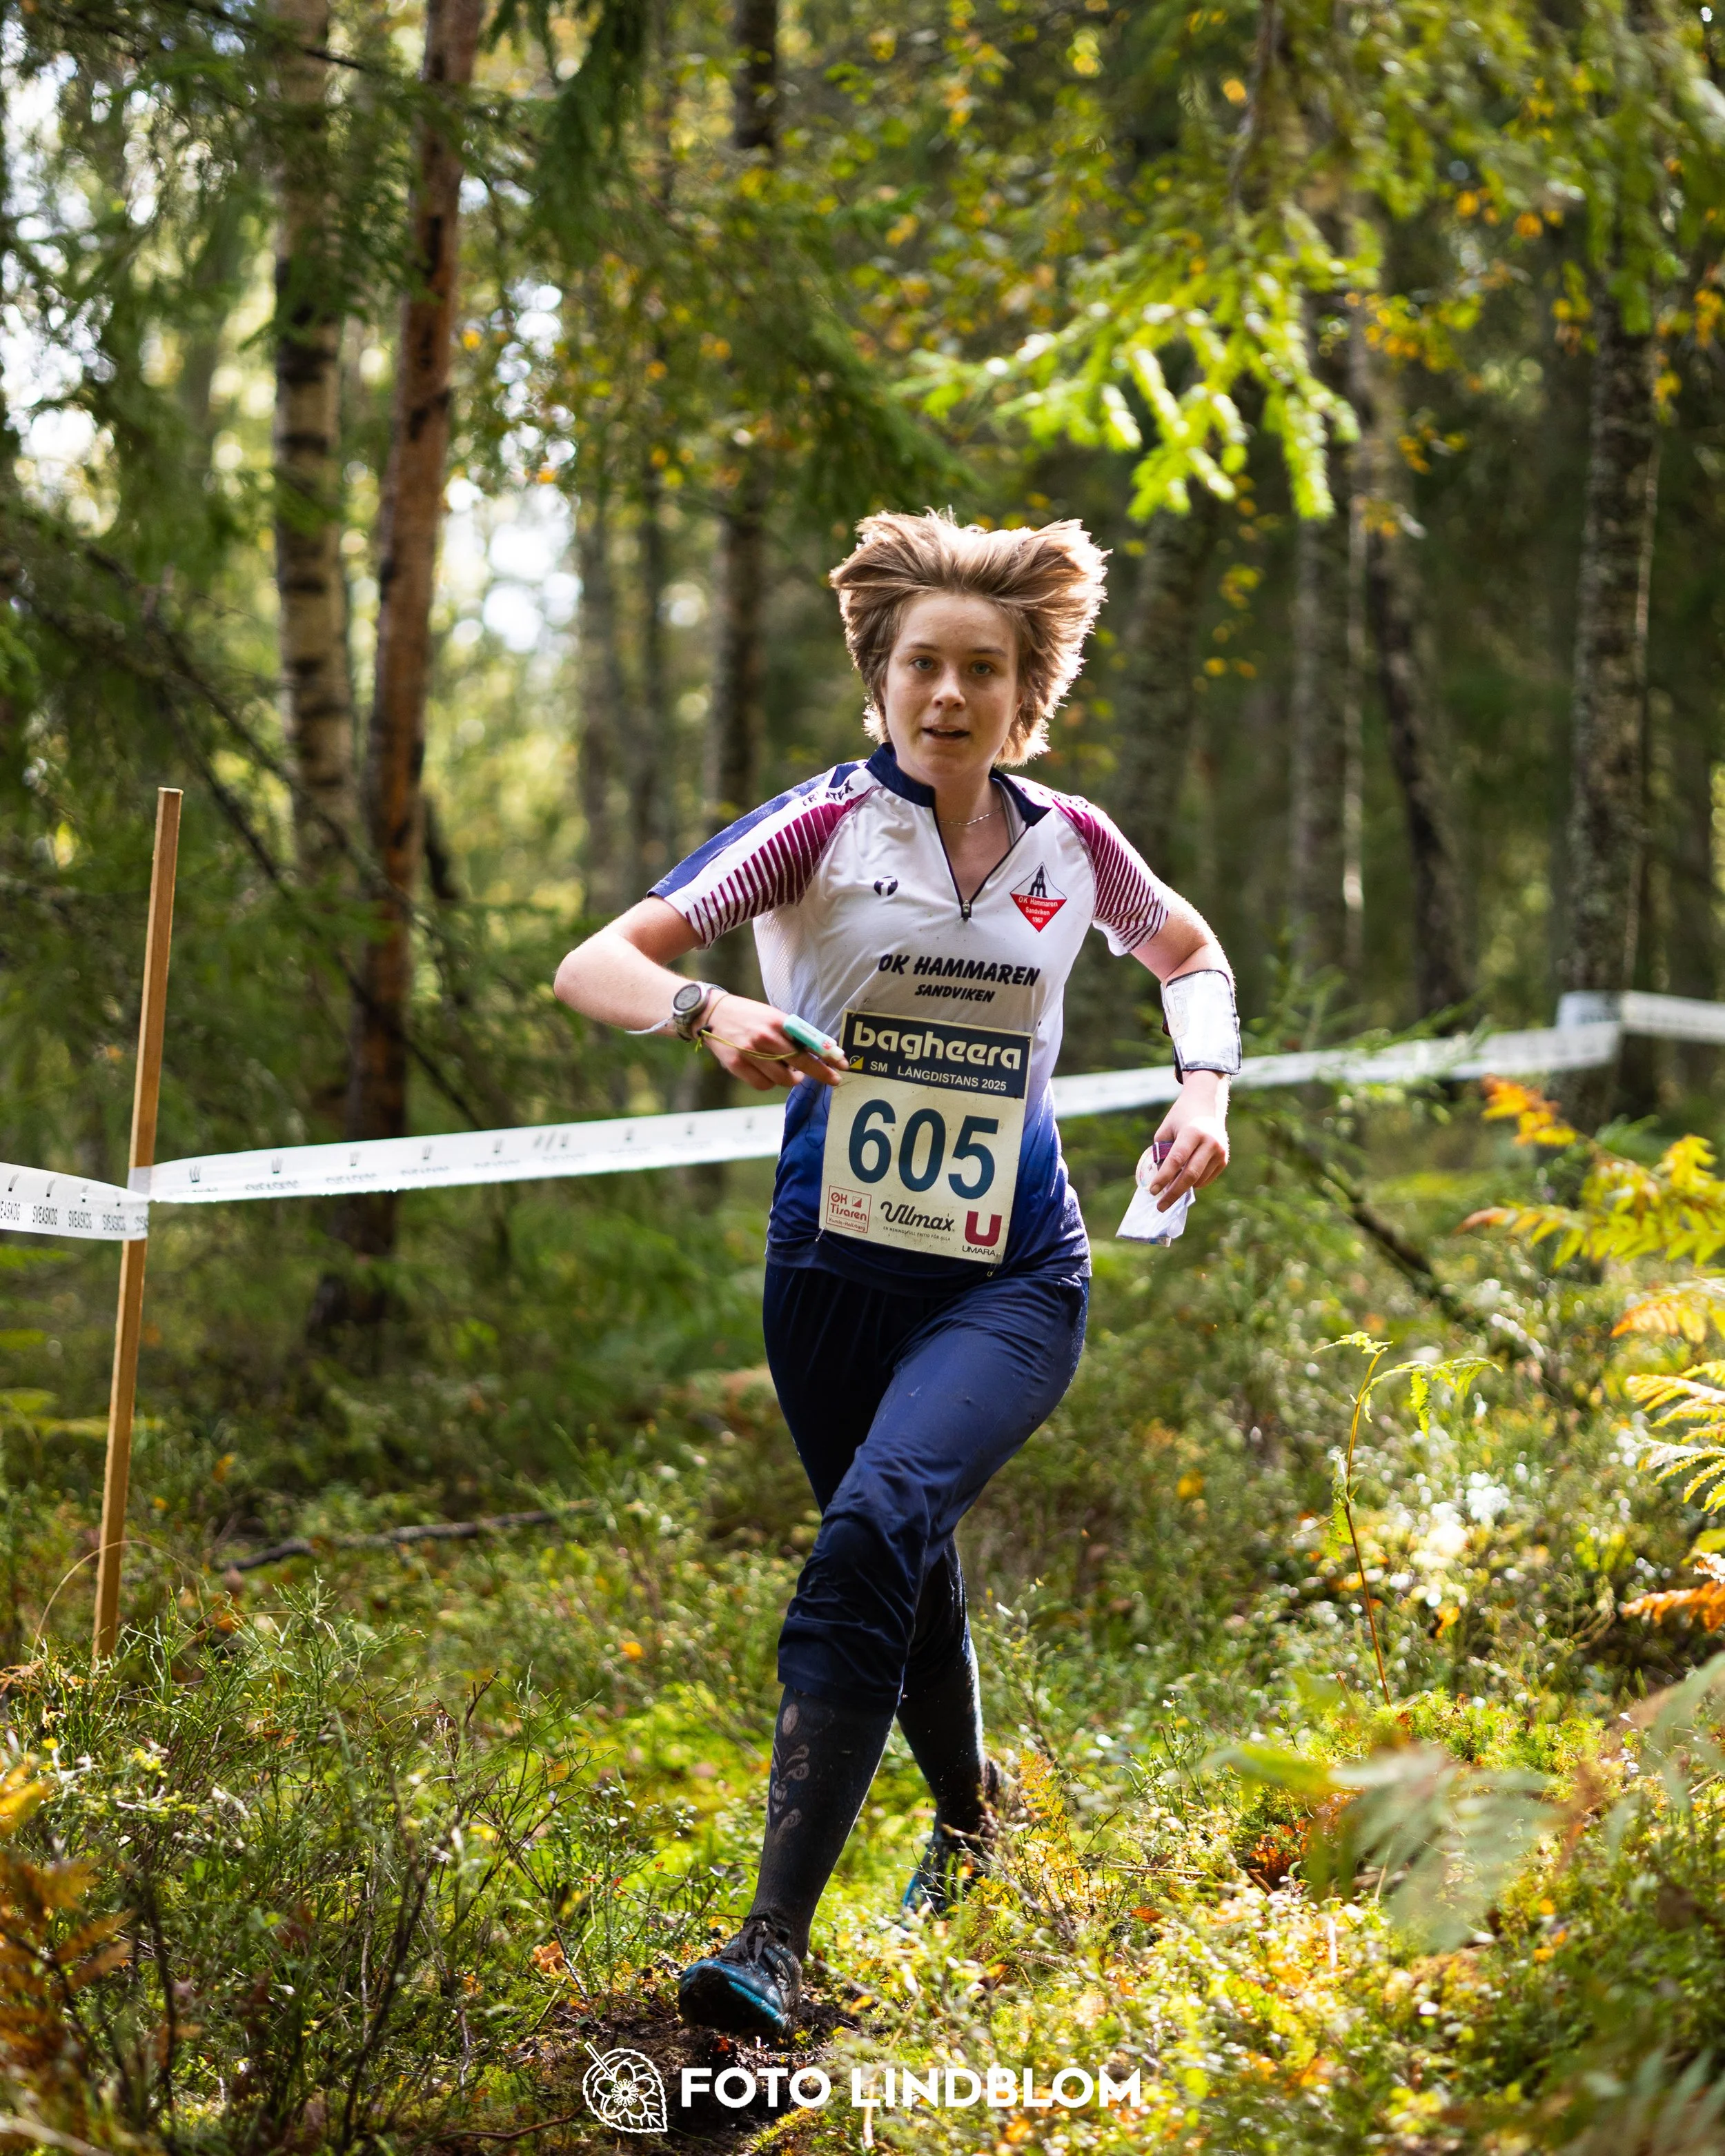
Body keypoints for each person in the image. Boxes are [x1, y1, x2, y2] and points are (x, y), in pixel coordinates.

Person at [553, 510, 1236, 2037]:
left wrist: (1201, 1088)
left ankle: (771, 1944)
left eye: (979, 669)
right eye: (919, 662)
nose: (946, 694)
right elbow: (593, 960)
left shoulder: (1073, 842)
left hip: (1012, 1276)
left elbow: (1189, 954)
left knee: (873, 1519)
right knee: (897, 1548)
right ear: (877, 673)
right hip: (829, 1273)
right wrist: (702, 1010)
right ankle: (972, 1822)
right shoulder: (813, 825)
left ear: (1022, 689)